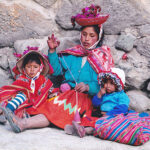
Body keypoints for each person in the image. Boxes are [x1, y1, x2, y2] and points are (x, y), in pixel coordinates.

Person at [2, 4, 114, 133]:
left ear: (98, 37)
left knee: (57, 110)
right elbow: (56, 70)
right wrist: (52, 50)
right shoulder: (73, 55)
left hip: (84, 100)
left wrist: (88, 87)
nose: (87, 39)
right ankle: (22, 123)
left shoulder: (103, 58)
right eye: (84, 34)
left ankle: (23, 124)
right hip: (66, 95)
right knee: (49, 106)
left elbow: (106, 85)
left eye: (91, 35)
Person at [65, 68, 130, 137]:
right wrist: (99, 94)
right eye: (106, 82)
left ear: (118, 84)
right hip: (100, 115)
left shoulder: (122, 96)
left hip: (113, 117)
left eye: (111, 83)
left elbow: (123, 109)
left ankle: (86, 130)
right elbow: (95, 104)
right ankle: (77, 128)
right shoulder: (105, 93)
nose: (107, 85)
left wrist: (109, 114)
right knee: (88, 118)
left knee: (100, 125)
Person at [0, 49, 55, 132]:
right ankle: (7, 111)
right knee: (20, 95)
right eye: (29, 67)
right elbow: (13, 88)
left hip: (37, 104)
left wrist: (52, 94)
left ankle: (8, 115)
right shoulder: (22, 79)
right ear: (24, 69)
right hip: (22, 102)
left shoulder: (43, 80)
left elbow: (50, 90)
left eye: (35, 67)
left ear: (40, 68)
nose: (32, 70)